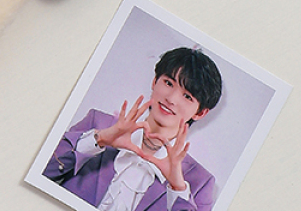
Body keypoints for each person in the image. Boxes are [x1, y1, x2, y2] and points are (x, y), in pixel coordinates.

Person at [43, 46, 223, 211]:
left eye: (187, 96)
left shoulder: (200, 183)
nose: (172, 99)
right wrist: (99, 140)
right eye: (169, 83)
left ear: (200, 113)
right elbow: (39, 173)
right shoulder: (97, 123)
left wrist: (177, 187)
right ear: (154, 81)